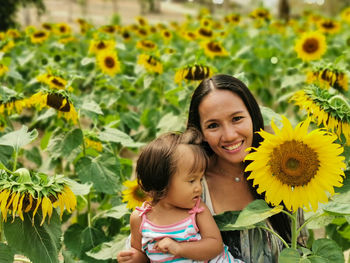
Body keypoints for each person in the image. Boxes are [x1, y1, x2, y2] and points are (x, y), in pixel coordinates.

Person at [117, 74, 292, 263]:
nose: (229, 135)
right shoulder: (184, 185)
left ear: (253, 116)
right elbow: (154, 250)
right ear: (199, 131)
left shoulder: (285, 172)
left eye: (237, 118)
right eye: (213, 125)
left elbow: (298, 245)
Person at [127, 129, 244, 262]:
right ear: (161, 180)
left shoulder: (197, 210)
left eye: (200, 179)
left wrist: (179, 248)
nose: (199, 188)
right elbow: (142, 254)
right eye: (191, 181)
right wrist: (135, 258)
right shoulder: (140, 219)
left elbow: (214, 245)